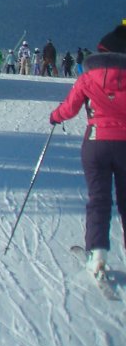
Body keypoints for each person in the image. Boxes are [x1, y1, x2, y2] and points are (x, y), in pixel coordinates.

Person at [48, 24, 126, 279]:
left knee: (99, 200)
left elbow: (69, 109)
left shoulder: (88, 77)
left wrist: (55, 116)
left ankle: (98, 255)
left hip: (96, 142)